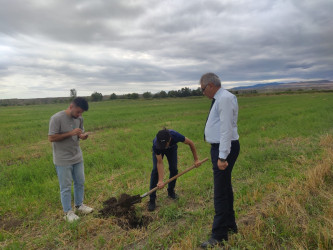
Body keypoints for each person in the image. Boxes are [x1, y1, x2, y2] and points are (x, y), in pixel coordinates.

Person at [200, 73, 240, 248]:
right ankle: (230, 225)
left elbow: (226, 130)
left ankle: (219, 235)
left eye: (202, 89)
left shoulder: (223, 99)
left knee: (220, 193)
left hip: (224, 148)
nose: (202, 93)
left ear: (210, 85)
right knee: (225, 188)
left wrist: (222, 156)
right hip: (221, 148)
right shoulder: (221, 98)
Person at [48, 97, 94, 222]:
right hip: (62, 159)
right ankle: (68, 212)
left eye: (82, 112)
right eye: (78, 112)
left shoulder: (79, 119)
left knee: (80, 182)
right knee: (66, 186)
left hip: (77, 156)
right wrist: (70, 133)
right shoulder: (56, 118)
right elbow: (51, 138)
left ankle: (79, 206)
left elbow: (79, 133)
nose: (79, 115)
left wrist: (82, 136)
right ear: (71, 106)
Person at [148, 128, 201, 211]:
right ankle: (152, 199)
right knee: (155, 171)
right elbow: (160, 162)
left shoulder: (175, 136)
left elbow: (190, 143)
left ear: (169, 140)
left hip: (172, 149)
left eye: (164, 145)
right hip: (159, 152)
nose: (162, 147)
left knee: (174, 169)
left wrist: (196, 159)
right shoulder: (156, 144)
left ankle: (171, 191)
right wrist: (160, 180)